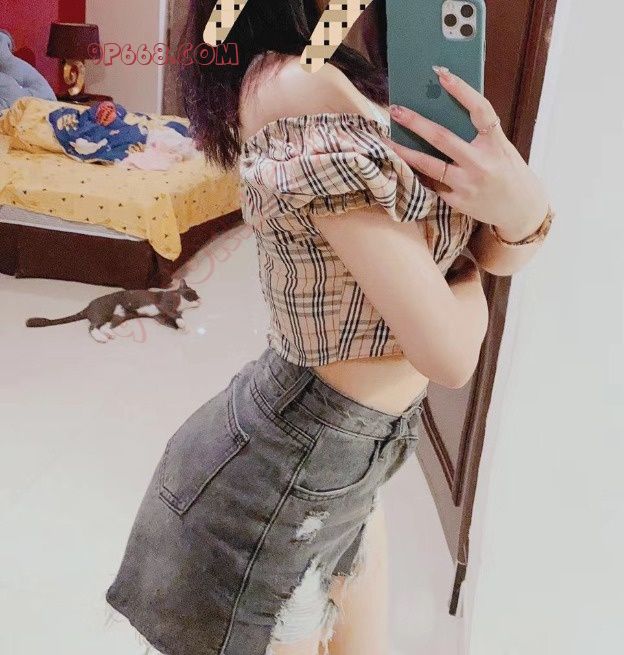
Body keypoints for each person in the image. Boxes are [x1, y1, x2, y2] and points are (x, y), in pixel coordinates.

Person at [105, 2, 553, 654]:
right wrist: (509, 231)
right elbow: (451, 352)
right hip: (272, 485)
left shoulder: (356, 71)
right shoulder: (294, 86)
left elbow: (486, 259)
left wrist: (520, 216)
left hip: (350, 474)